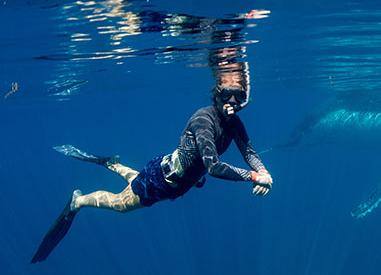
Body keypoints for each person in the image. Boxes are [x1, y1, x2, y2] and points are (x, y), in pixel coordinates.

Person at [31, 79, 272, 264]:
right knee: (120, 204)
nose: (231, 101)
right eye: (225, 94)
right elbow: (213, 166)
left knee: (135, 181)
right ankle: (78, 201)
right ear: (215, 94)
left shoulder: (234, 124)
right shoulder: (204, 120)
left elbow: (248, 150)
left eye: (238, 95)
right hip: (162, 181)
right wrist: (253, 176)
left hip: (168, 174)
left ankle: (110, 163)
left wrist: (264, 172)